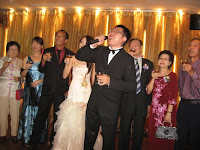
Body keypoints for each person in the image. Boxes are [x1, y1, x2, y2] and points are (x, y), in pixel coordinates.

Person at [76, 25, 136, 150]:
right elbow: (80, 55)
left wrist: (111, 81)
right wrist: (94, 43)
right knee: (89, 136)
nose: (112, 33)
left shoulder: (128, 59)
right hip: (94, 102)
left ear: (124, 39)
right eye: (111, 31)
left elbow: (131, 86)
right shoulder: (100, 51)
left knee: (108, 140)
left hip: (111, 106)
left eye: (116, 32)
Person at [52, 35, 102, 150]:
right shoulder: (73, 58)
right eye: (81, 42)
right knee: (70, 118)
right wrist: (68, 64)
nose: (82, 45)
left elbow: (93, 80)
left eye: (85, 43)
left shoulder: (92, 61)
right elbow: (64, 75)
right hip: (74, 91)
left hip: (86, 92)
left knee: (85, 118)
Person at [29, 30, 74, 150]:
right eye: (56, 36)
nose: (58, 38)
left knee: (57, 117)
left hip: (61, 91)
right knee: (41, 116)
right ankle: (34, 142)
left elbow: (73, 75)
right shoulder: (47, 51)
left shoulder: (71, 54)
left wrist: (70, 89)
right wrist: (43, 60)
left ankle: (53, 142)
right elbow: (41, 70)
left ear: (66, 40)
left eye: (61, 36)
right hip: (47, 90)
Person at [118, 38, 153, 150]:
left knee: (139, 129)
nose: (133, 47)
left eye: (136, 45)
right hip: (126, 98)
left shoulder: (148, 64)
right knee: (124, 128)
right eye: (131, 45)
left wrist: (149, 103)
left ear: (141, 48)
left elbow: (150, 84)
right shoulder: (123, 62)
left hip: (141, 99)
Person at [17, 37, 47, 145]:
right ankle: (27, 137)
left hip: (42, 88)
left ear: (41, 46)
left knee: (40, 112)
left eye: (37, 43)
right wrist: (26, 68)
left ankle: (38, 138)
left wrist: (39, 81)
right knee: (28, 111)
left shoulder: (45, 58)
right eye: (33, 43)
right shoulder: (27, 58)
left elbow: (49, 75)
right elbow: (21, 76)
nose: (35, 45)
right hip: (29, 89)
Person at [146, 50, 178, 150]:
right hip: (154, 111)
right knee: (153, 135)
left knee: (165, 137)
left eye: (166, 59)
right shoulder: (155, 74)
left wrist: (169, 113)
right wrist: (153, 78)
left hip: (166, 111)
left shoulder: (172, 76)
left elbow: (173, 96)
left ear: (170, 62)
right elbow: (148, 91)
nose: (162, 60)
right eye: (161, 58)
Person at [175, 38, 200, 150]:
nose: (191, 47)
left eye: (195, 45)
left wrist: (192, 72)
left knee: (196, 137)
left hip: (197, 106)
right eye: (190, 45)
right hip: (183, 105)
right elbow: (179, 85)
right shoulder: (182, 66)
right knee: (180, 135)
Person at [0, 41, 22, 144]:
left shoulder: (21, 62)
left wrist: (20, 78)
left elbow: (25, 77)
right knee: (2, 113)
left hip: (15, 90)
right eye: (11, 49)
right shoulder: (2, 60)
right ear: (7, 50)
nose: (13, 51)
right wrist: (4, 67)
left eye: (15, 49)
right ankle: (2, 134)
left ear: (18, 52)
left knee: (15, 113)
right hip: (3, 90)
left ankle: (14, 134)